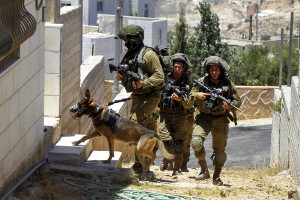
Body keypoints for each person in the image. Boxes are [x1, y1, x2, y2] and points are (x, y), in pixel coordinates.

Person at [184, 56, 241, 185]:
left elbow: (238, 100)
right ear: (208, 70)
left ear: (220, 70)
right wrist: (196, 96)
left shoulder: (227, 84)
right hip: (204, 117)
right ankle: (204, 170)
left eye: (216, 70)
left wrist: (229, 105)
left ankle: (216, 175)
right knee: (196, 142)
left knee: (220, 151)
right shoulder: (201, 82)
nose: (214, 72)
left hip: (220, 118)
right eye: (212, 70)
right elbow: (187, 101)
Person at [117, 25, 165, 174]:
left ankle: (139, 166)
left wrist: (143, 83)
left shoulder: (149, 55)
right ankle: (147, 164)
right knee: (149, 130)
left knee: (135, 127)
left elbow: (159, 76)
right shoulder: (130, 54)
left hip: (151, 97)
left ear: (134, 39)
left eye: (127, 39)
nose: (125, 42)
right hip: (138, 97)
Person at [158, 53, 192, 176]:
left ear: (183, 68)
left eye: (180, 67)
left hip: (180, 114)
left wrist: (181, 100)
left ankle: (176, 168)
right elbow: (157, 93)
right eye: (175, 67)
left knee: (179, 143)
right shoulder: (165, 78)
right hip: (165, 114)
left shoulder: (187, 82)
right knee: (165, 140)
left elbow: (190, 101)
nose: (177, 69)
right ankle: (167, 158)